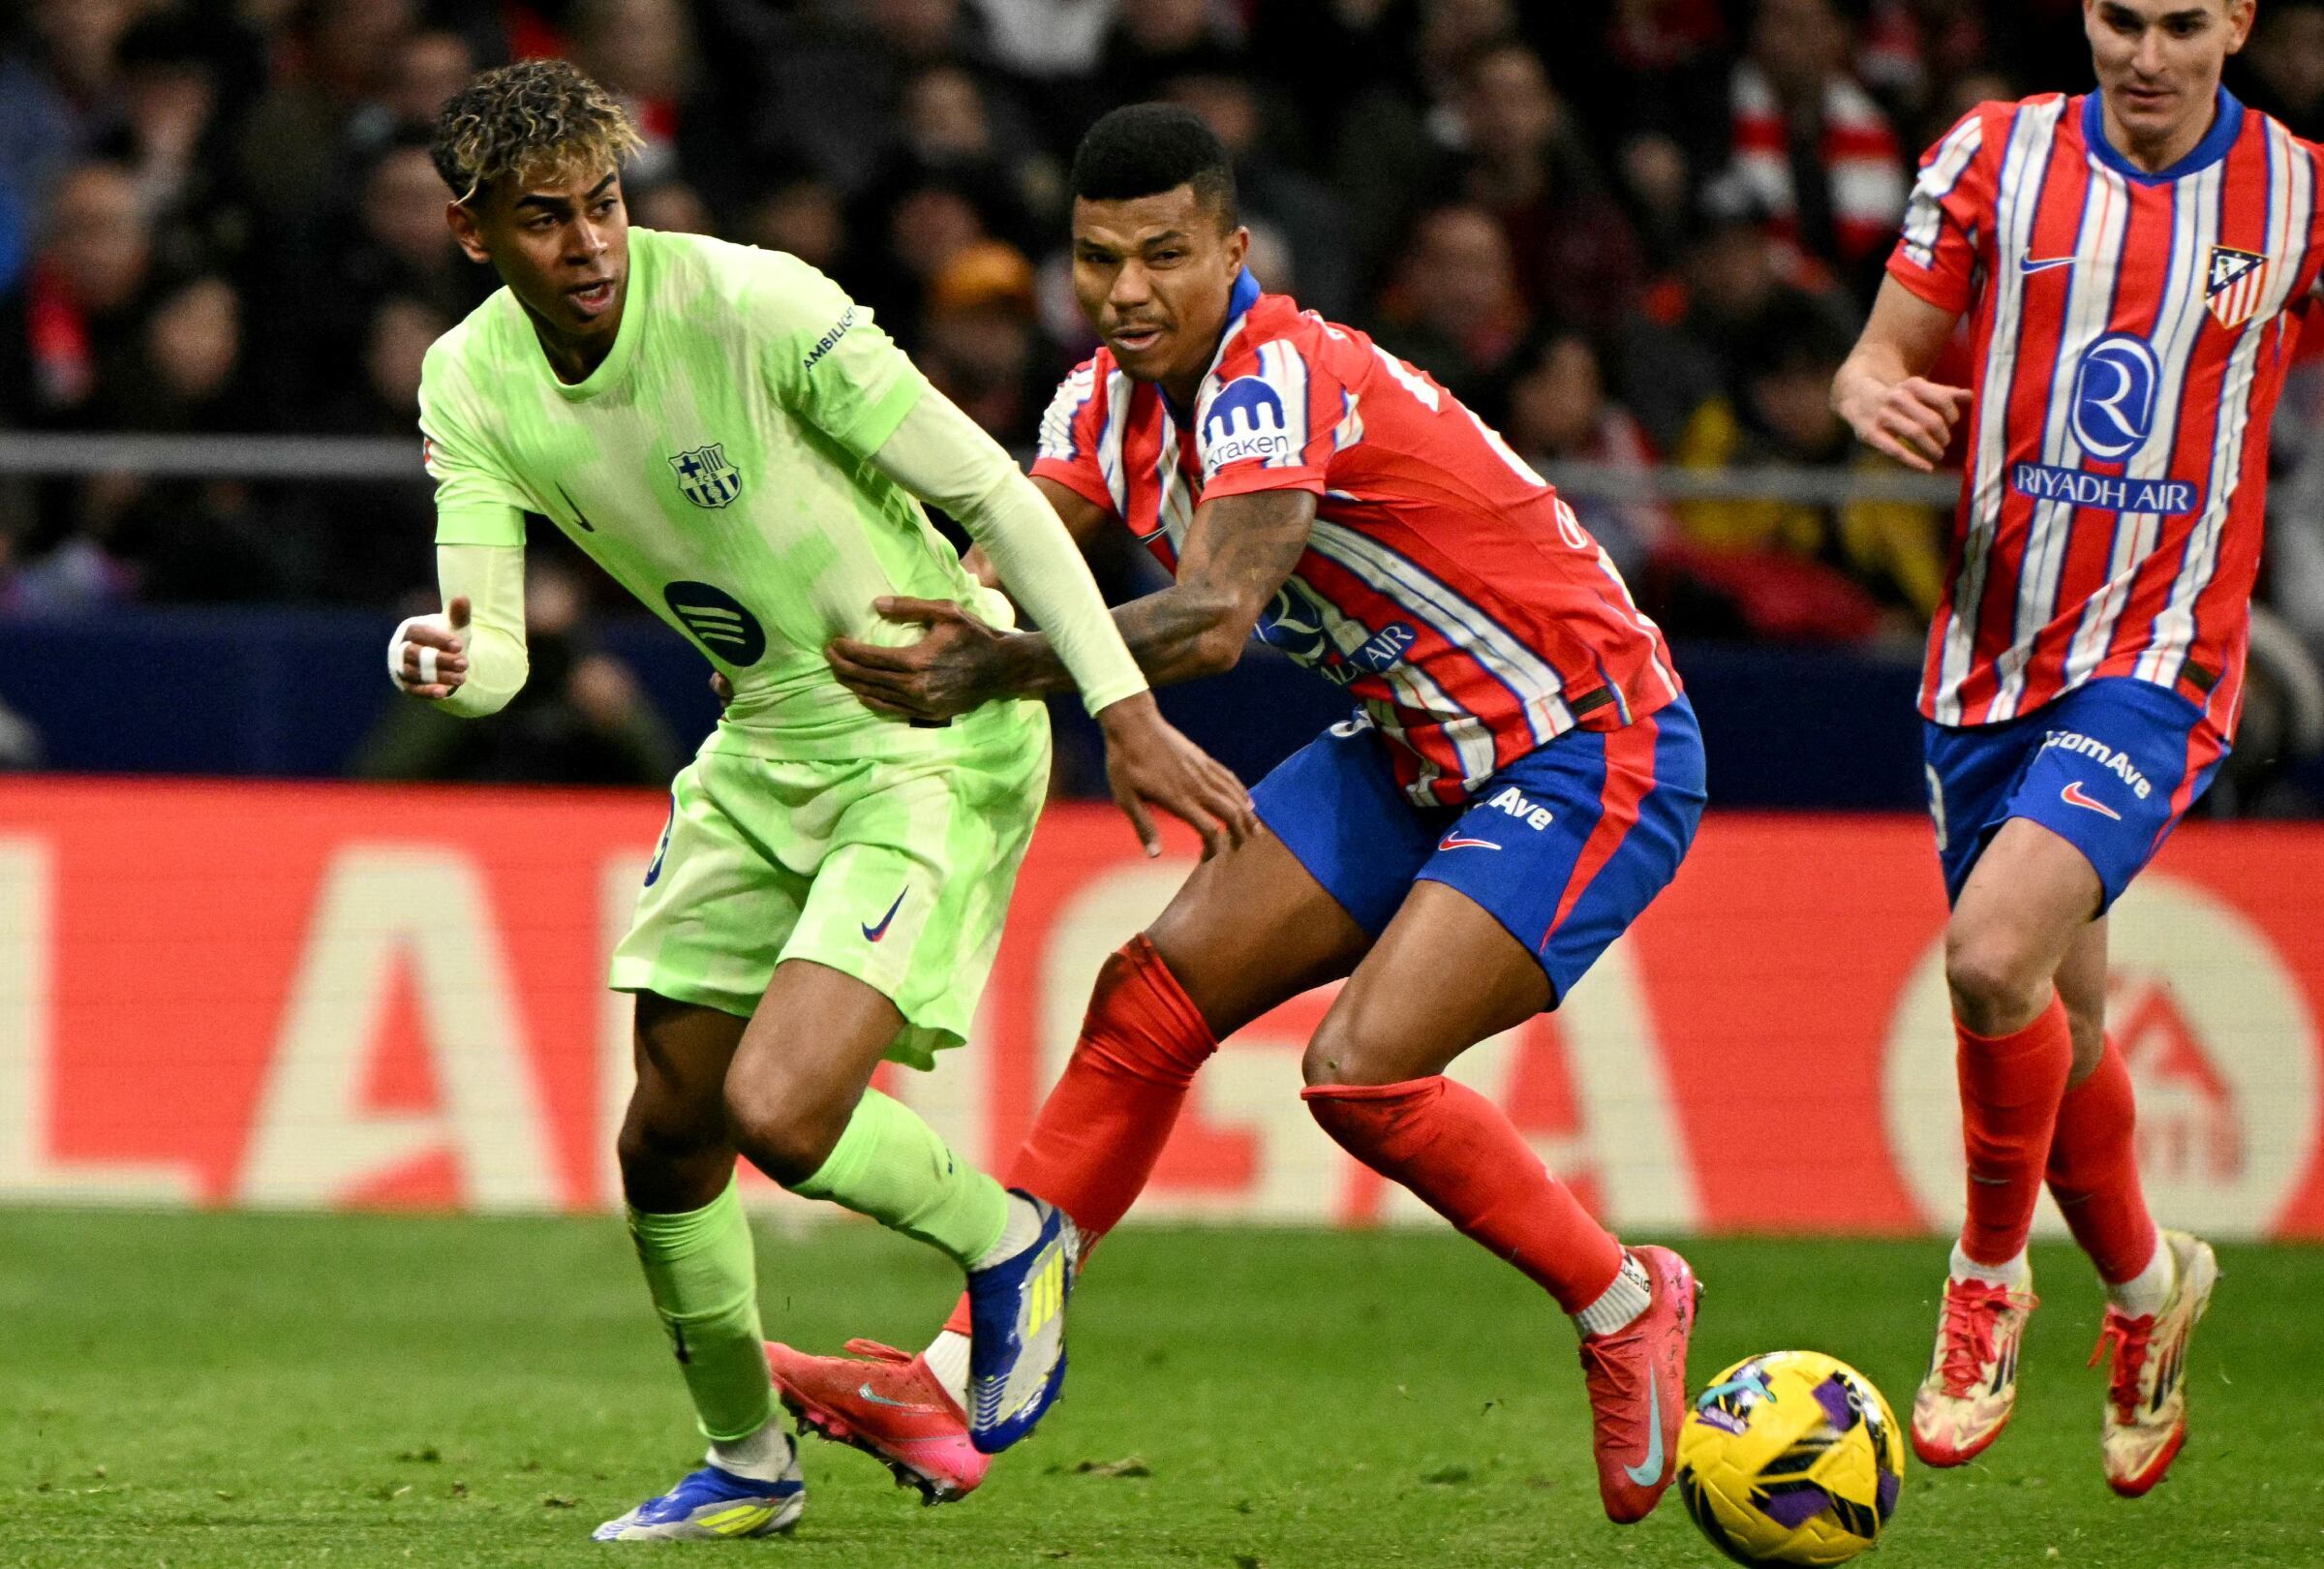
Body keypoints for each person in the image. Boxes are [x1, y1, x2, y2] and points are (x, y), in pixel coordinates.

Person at [771, 104, 1708, 1527]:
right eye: (1098, 260)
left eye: (1164, 255)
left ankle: (1626, 1296)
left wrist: (1007, 669)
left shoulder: (1275, 370)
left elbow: (1213, 620)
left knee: (1359, 1072)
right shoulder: (1097, 403)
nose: (1129, 290)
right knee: (1146, 999)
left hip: (1586, 741)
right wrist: (871, 648)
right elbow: (989, 578)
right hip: (1413, 746)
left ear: (1233, 250)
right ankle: (966, 1379)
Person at [382, 61, 1253, 1543]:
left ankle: (1012, 1238)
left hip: (924, 722)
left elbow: (989, 490)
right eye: (546, 221)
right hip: (763, 743)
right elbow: (496, 660)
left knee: (777, 1108)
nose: (590, 245)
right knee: (666, 1134)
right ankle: (747, 1462)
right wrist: (441, 660)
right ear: (474, 235)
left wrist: (1121, 709)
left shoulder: (752, 304)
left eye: (604, 206)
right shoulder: (468, 381)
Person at [1830, 0, 2287, 1498]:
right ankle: (2152, 1294)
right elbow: (1874, 354)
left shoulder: (2296, 194)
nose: (2143, 56)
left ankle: (1986, 1283)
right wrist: (1872, 393)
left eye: (2176, 23)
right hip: (1988, 659)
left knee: (1984, 956)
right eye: (2115, 19)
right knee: (2060, 1027)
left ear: (2236, 23)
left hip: (2160, 661)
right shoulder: (1991, 155)